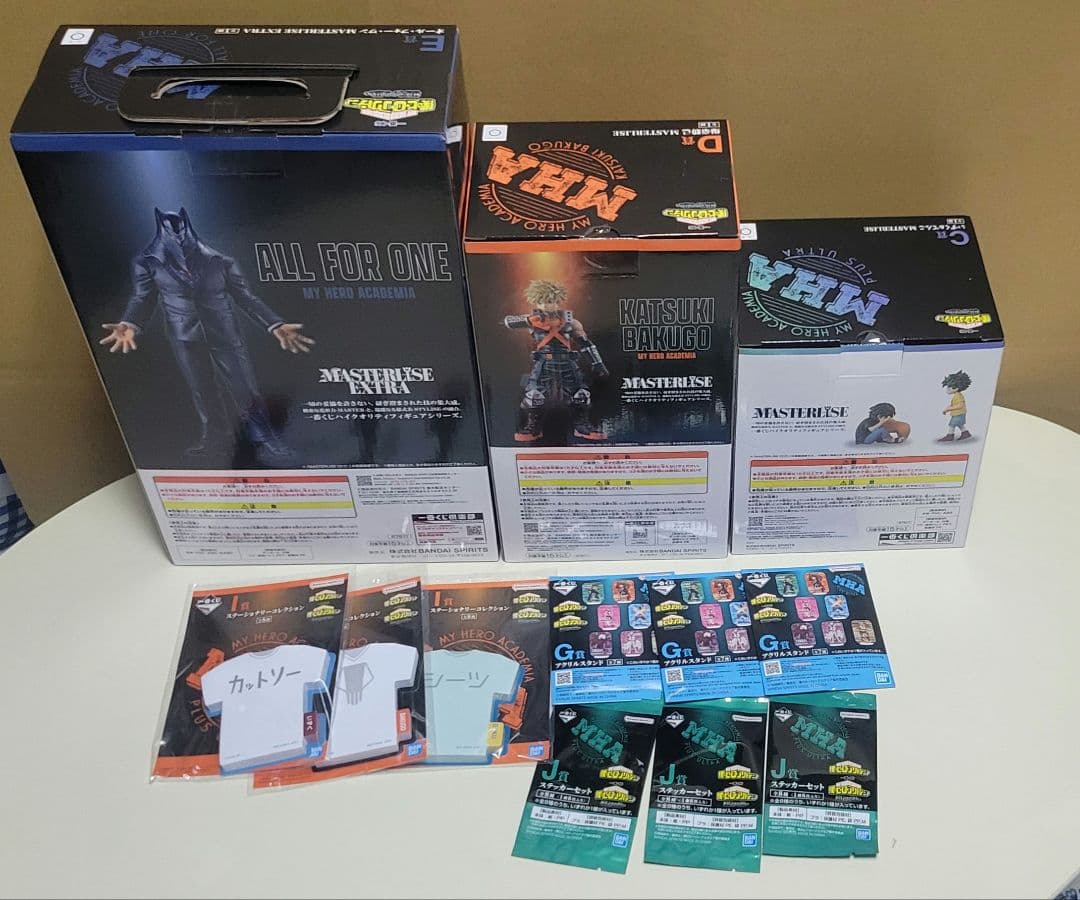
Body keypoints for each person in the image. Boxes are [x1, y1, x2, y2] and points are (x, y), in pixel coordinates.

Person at [99, 208, 313, 459]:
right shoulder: (147, 262)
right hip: (184, 335)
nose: (177, 234)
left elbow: (245, 297)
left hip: (224, 332)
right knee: (201, 389)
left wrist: (274, 324)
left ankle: (265, 437)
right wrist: (131, 323)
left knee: (243, 387)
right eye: (171, 228)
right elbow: (143, 298)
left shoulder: (220, 261)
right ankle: (215, 438)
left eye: (180, 227)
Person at [503, 279, 608, 442]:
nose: (546, 305)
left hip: (568, 362)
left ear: (558, 301)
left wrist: (598, 363)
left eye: (550, 301)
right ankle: (533, 427)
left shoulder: (571, 321)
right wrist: (529, 321)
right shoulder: (532, 319)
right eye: (542, 301)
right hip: (544, 363)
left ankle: (582, 426)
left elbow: (586, 344)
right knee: (534, 395)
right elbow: (508, 322)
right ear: (536, 301)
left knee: (580, 394)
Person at [939, 370, 973, 441]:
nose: (947, 389)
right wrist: (947, 409)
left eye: (949, 387)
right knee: (960, 424)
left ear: (956, 388)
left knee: (952, 425)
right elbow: (954, 404)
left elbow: (960, 405)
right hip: (959, 413)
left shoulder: (958, 396)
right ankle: (966, 433)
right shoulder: (956, 395)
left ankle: (950, 436)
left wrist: (948, 409)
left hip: (959, 414)